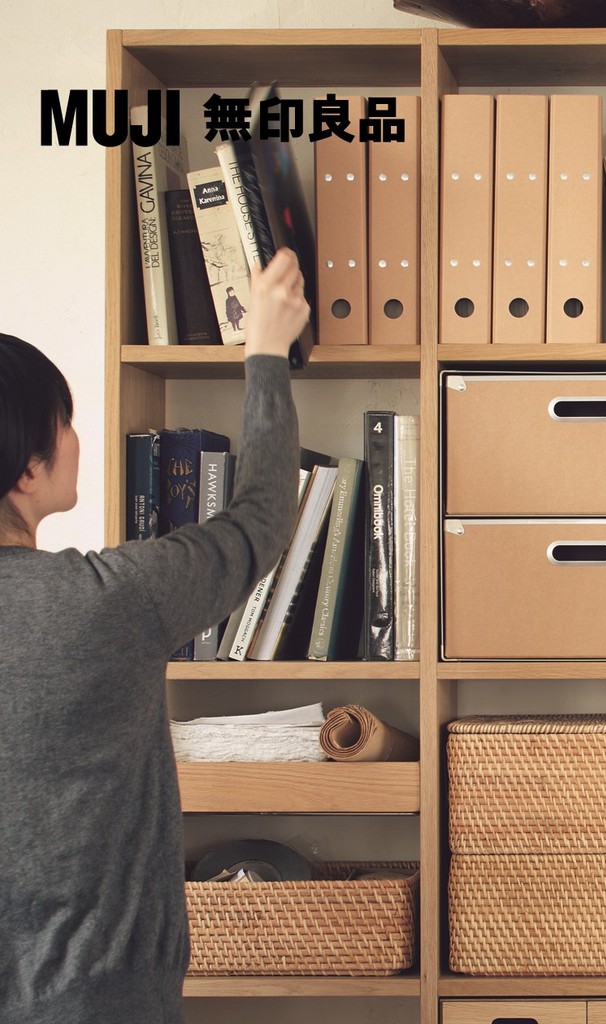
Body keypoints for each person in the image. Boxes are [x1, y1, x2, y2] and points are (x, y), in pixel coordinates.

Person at [0, 248, 308, 1023]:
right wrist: (266, 353)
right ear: (28, 470)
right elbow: (258, 522)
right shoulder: (108, 600)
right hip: (105, 1000)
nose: (76, 439)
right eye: (65, 423)